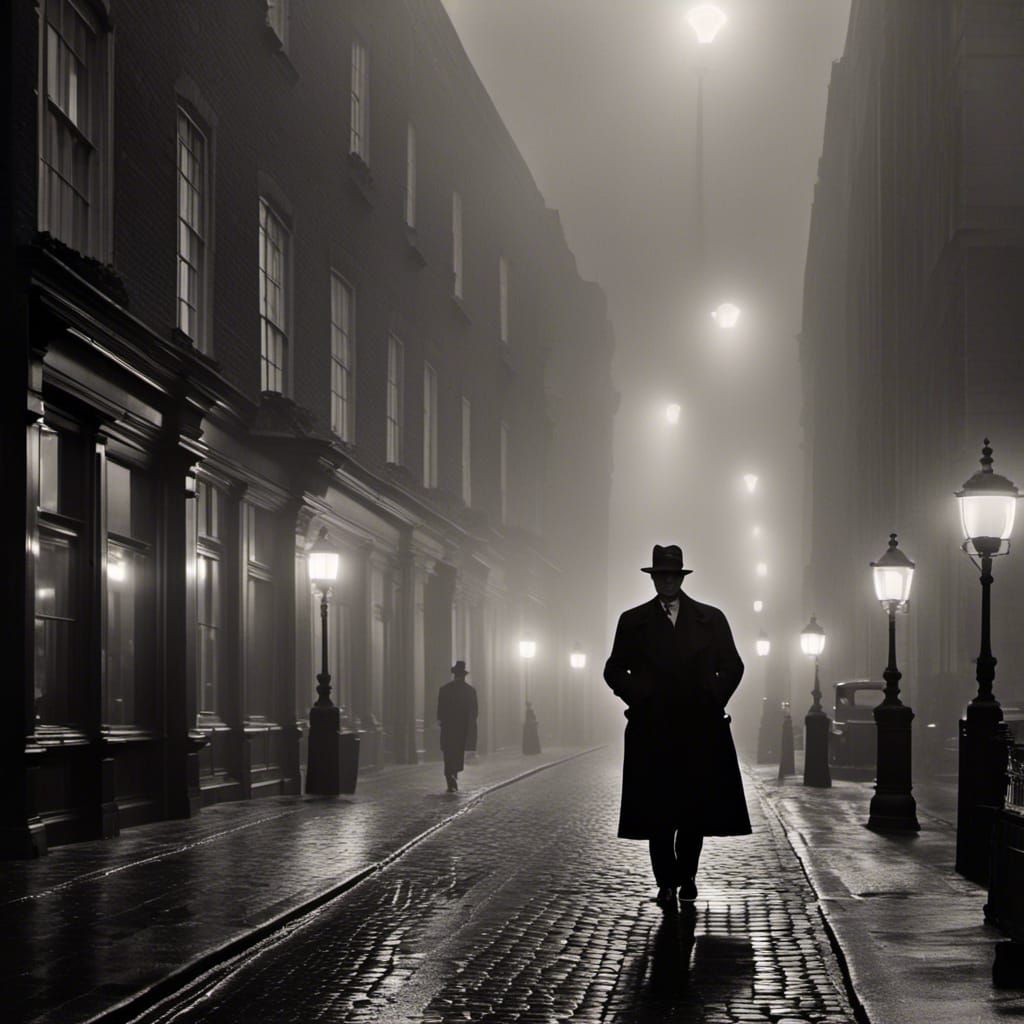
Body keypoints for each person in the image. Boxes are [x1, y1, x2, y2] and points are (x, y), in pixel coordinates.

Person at [604, 543, 751, 907]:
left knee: (692, 813)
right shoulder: (632, 621)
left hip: (699, 731)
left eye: (672, 576)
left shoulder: (711, 619)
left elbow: (734, 665)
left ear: (680, 578)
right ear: (654, 579)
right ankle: (666, 882)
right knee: (658, 813)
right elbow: (613, 670)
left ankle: (687, 876)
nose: (666, 583)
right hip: (652, 731)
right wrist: (639, 695)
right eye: (661, 577)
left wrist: (711, 697)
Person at [437, 660, 478, 792]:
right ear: (464, 675)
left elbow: (440, 711)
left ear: (454, 674)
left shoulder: (444, 690)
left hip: (448, 728)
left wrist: (442, 721)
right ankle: (454, 775)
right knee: (457, 753)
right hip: (462, 729)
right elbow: (474, 712)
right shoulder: (470, 691)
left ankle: (450, 777)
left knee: (448, 753)